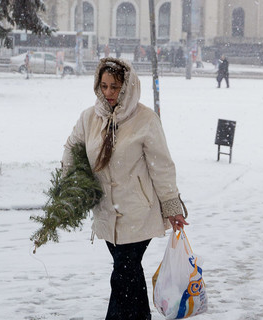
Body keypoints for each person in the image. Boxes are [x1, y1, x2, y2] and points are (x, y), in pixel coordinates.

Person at [61, 57, 188, 320]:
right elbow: (72, 148)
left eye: (115, 87)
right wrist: (70, 183)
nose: (108, 93)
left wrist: (172, 206)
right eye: (104, 86)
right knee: (128, 274)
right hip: (107, 213)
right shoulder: (90, 118)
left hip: (138, 213)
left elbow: (161, 167)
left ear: (127, 87)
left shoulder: (145, 120)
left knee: (123, 272)